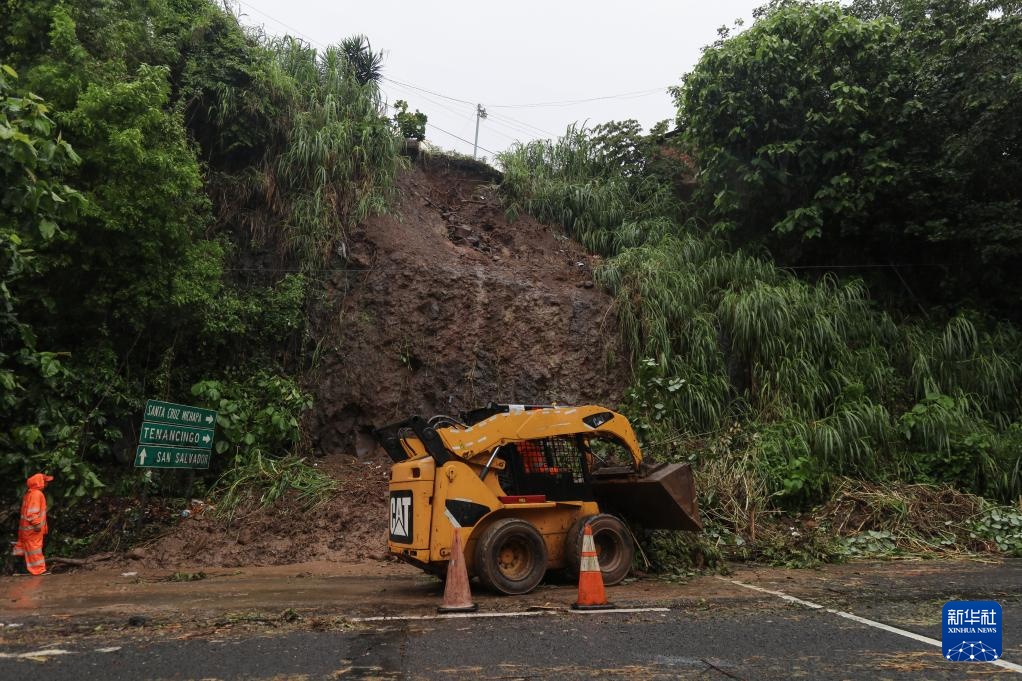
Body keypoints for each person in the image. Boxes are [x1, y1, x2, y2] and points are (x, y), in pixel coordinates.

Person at [12, 473, 53, 576]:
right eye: (45, 481)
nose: (47, 483)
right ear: (40, 482)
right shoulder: (37, 494)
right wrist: (37, 524)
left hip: (25, 530)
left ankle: (20, 570)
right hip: (33, 529)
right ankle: (39, 570)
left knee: (24, 548)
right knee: (34, 549)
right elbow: (32, 513)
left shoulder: (29, 494)